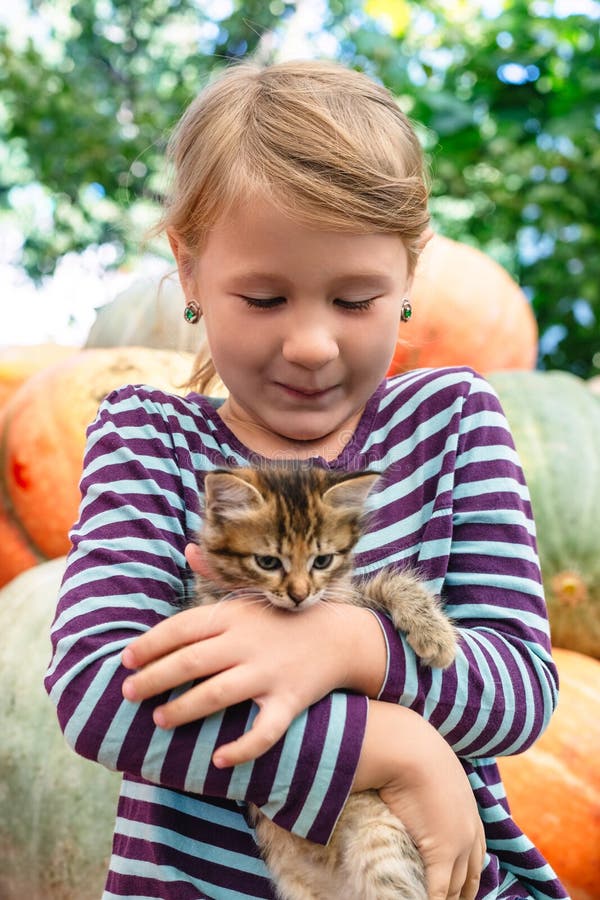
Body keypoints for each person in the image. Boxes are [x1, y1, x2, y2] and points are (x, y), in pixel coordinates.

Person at [45, 60, 568, 900]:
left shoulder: (455, 420)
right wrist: (394, 749)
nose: (312, 345)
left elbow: (522, 692)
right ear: (188, 271)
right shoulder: (151, 439)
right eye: (262, 297)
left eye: (356, 299)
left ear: (409, 275)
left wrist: (353, 645)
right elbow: (102, 694)